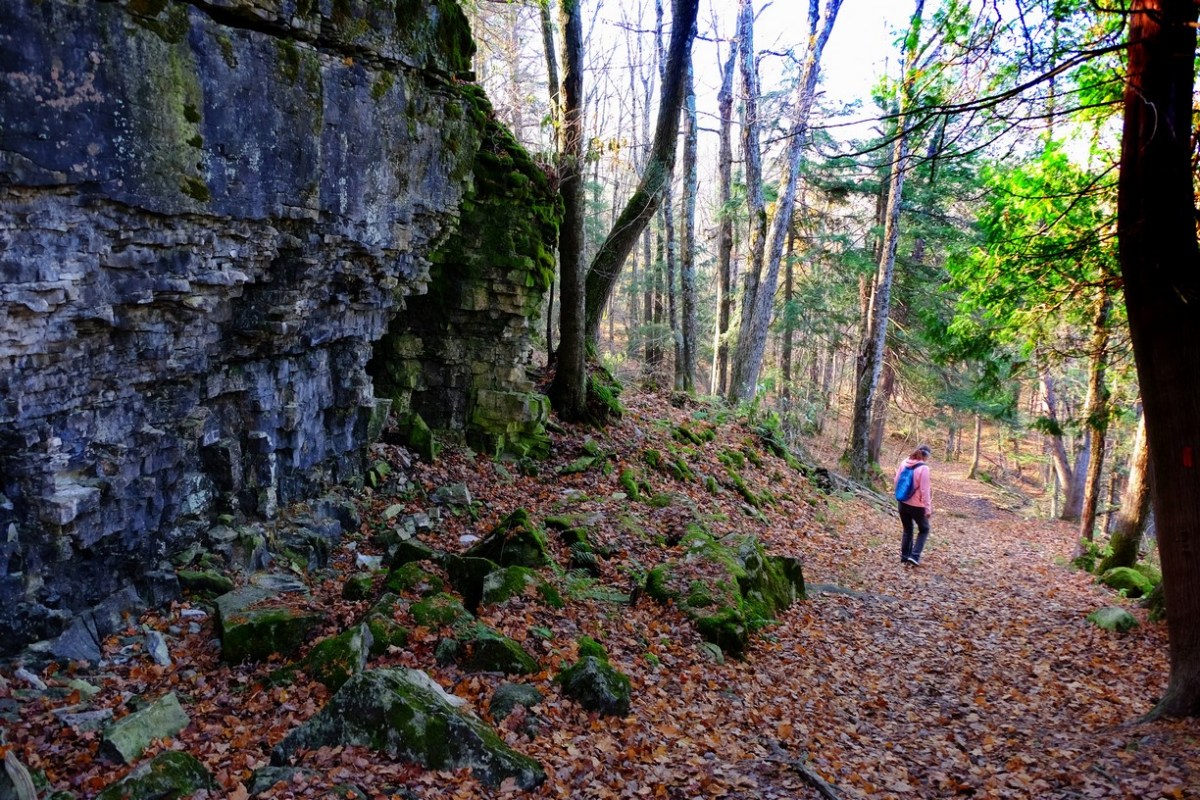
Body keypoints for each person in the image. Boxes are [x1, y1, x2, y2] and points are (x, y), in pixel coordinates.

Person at [895, 444, 933, 566]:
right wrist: (927, 509)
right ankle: (915, 556)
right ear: (926, 456)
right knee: (924, 529)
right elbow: (925, 490)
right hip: (917, 506)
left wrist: (900, 495)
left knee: (907, 530)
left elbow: (896, 480)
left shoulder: (904, 462)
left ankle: (905, 557)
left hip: (902, 502)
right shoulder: (924, 468)